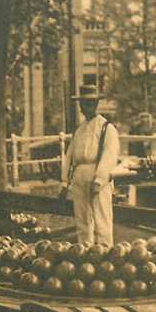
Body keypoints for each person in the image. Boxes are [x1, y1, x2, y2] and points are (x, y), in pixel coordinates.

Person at [62, 86, 120, 246]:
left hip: (97, 174)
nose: (83, 108)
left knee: (102, 217)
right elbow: (70, 156)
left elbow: (109, 155)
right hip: (79, 175)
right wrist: (65, 181)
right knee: (82, 218)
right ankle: (85, 249)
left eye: (87, 104)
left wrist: (99, 180)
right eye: (82, 104)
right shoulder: (79, 130)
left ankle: (105, 250)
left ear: (94, 104)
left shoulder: (106, 128)